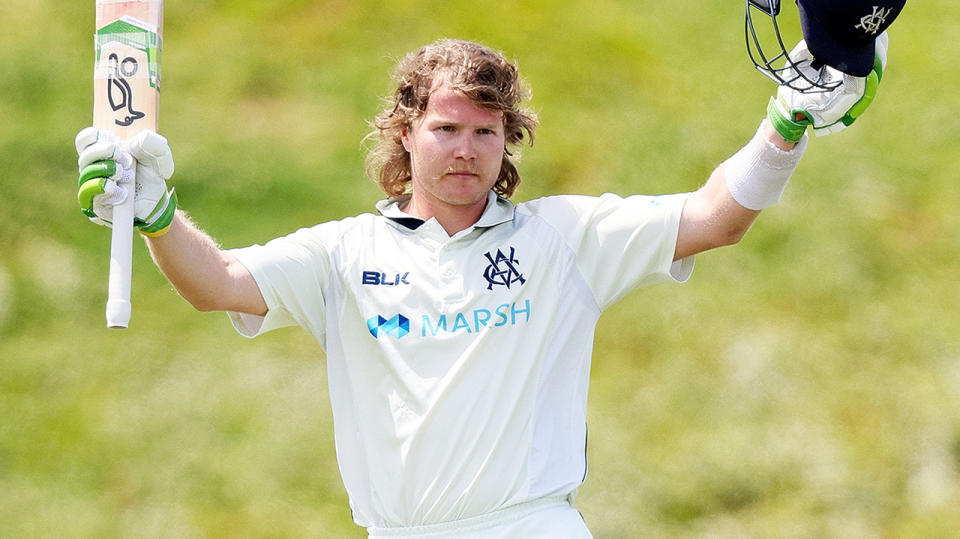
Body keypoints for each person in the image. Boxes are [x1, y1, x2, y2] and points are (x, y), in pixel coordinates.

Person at [75, 32, 889, 538]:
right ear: (405, 133)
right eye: (447, 128)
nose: (467, 149)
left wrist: (784, 125)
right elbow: (216, 282)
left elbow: (718, 216)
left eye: (486, 131)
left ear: (509, 138)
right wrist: (156, 212)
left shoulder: (565, 238)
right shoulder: (344, 253)